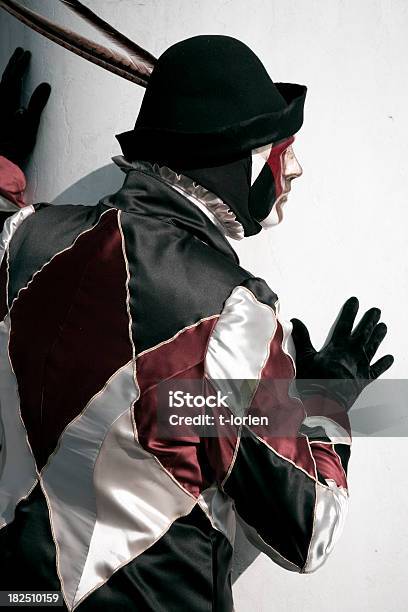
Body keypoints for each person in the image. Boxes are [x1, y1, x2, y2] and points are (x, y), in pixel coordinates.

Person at [0, 37, 393, 612]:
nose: (296, 168)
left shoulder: (23, 238)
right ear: (236, 160)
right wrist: (324, 400)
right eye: (282, 147)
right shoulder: (234, 312)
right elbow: (309, 530)